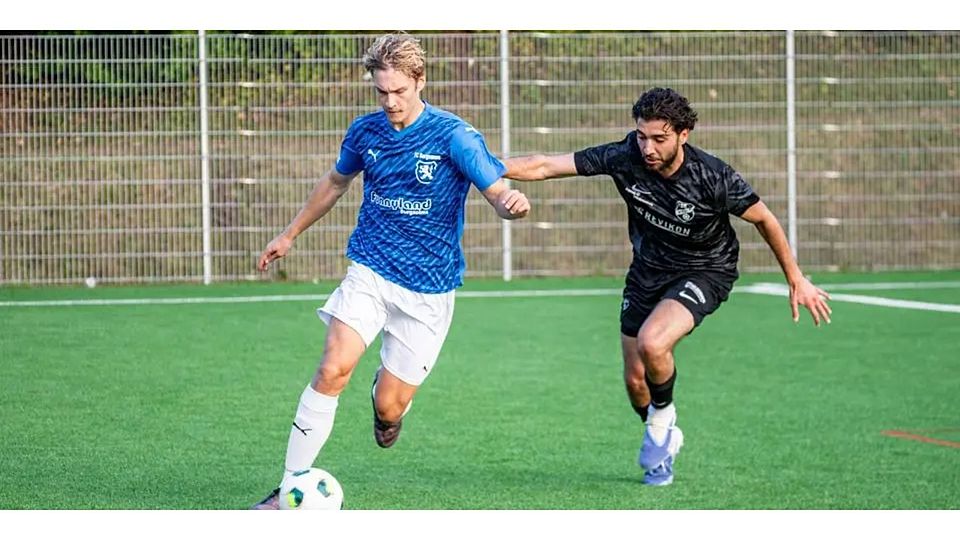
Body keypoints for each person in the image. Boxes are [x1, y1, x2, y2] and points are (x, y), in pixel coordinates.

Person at [251, 32, 530, 509]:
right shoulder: (366, 132)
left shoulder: (453, 135)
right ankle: (289, 488)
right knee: (333, 368)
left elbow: (496, 190)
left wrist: (510, 204)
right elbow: (336, 182)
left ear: (420, 81)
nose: (391, 101)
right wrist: (289, 233)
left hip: (429, 290)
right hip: (371, 269)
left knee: (389, 405)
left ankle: (385, 410)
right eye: (382, 91)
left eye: (399, 91)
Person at [501, 87, 832, 486]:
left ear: (683, 135)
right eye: (642, 136)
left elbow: (765, 219)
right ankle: (664, 434)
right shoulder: (626, 156)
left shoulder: (712, 177)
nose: (648, 147)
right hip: (647, 272)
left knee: (653, 342)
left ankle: (662, 421)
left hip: (706, 269)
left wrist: (796, 278)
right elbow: (544, 166)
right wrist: (479, 166)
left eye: (659, 138)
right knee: (635, 380)